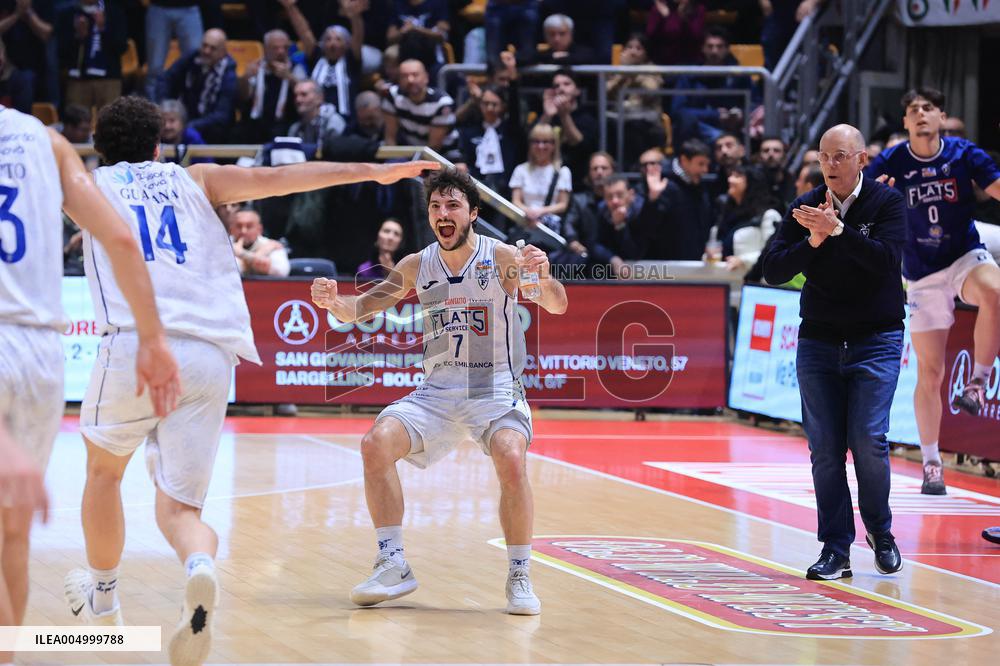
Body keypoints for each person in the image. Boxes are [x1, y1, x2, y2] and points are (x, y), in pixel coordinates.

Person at [60, 95, 438, 665]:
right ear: (161, 146)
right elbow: (284, 176)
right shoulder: (199, 178)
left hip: (139, 345)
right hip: (212, 353)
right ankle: (201, 567)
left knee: (103, 473)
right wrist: (378, 170)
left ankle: (105, 606)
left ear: (99, 146)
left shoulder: (89, 185)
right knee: (181, 512)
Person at [310, 168, 567, 616]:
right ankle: (393, 563)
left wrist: (542, 278)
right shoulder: (416, 264)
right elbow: (359, 308)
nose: (442, 214)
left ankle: (520, 572)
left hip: (494, 387)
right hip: (437, 389)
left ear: (472, 213)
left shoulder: (503, 256)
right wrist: (333, 301)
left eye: (452, 206)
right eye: (435, 206)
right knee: (375, 444)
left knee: (510, 455)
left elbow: (557, 303)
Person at [0, 103, 181, 666]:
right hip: (40, 357)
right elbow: (122, 240)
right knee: (12, 541)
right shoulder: (44, 140)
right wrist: (152, 339)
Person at [762, 124, 906, 581]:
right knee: (825, 450)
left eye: (840, 156)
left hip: (876, 338)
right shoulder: (804, 208)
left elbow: (886, 263)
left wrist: (840, 232)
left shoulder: (887, 204)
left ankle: (881, 532)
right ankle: (835, 549)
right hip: (819, 340)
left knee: (868, 440)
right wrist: (814, 241)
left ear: (861, 159)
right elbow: (772, 270)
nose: (831, 166)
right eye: (824, 157)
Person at [865, 88, 1000, 496]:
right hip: (921, 272)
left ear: (941, 116)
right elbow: (860, 204)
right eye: (912, 110)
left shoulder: (964, 154)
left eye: (928, 108)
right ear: (905, 123)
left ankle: (977, 383)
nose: (920, 114)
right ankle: (931, 463)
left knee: (995, 291)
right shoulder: (892, 160)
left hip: (962, 255)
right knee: (931, 373)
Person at [155, 28, 238, 144]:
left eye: (212, 48)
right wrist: (166, 107)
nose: (206, 51)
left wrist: (188, 126)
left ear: (223, 52)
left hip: (211, 127)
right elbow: (165, 79)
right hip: (185, 117)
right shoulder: (192, 56)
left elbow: (222, 115)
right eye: (204, 45)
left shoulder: (228, 74)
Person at [509, 123, 572, 243]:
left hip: (549, 229)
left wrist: (540, 212)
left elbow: (563, 205)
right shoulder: (520, 169)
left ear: (554, 145)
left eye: (546, 142)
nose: (540, 146)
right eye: (536, 141)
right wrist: (528, 212)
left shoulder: (562, 171)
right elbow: (516, 201)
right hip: (525, 225)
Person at [229, 206, 290, 277]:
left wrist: (242, 254)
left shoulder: (270, 245)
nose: (243, 231)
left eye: (249, 226)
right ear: (231, 229)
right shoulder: (224, 245)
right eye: (239, 226)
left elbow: (283, 272)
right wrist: (259, 256)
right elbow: (227, 273)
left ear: (259, 229)